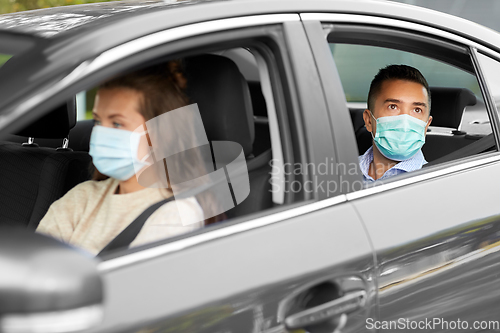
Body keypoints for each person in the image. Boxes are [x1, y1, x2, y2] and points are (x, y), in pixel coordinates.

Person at [37, 62, 221, 255]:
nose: (100, 133)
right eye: (98, 121)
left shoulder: (174, 214)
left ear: (159, 133)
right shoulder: (81, 197)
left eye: (117, 123)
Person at [359, 64, 433, 182]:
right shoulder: (337, 172)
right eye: (393, 107)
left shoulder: (437, 182)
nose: (405, 121)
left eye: (417, 110)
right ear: (368, 120)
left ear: (426, 125)